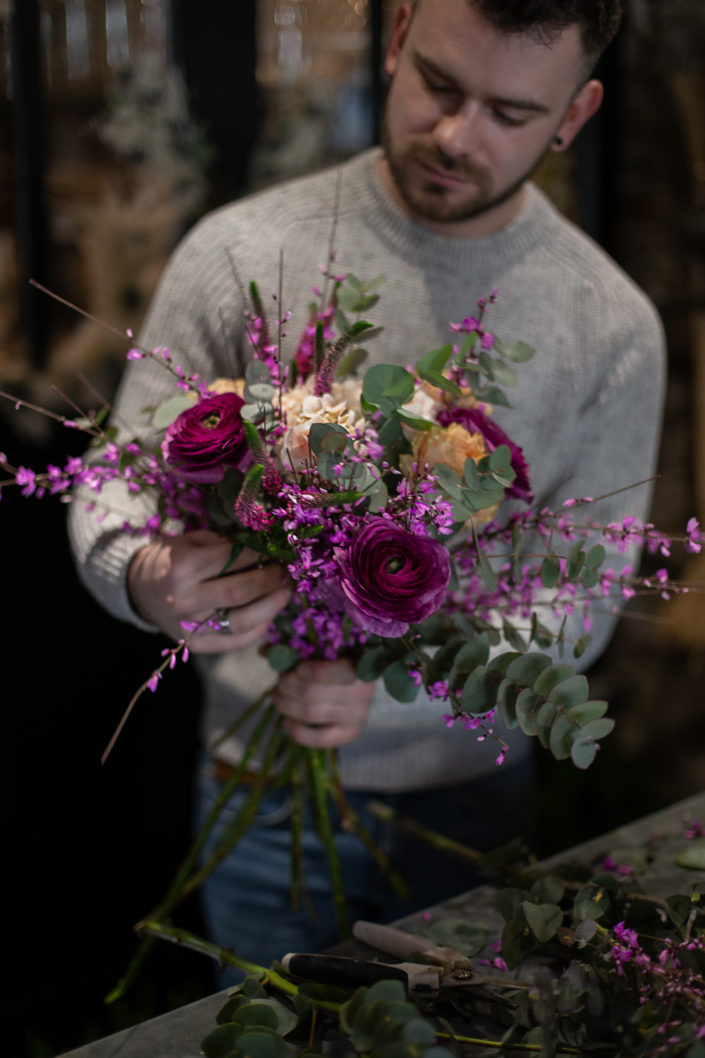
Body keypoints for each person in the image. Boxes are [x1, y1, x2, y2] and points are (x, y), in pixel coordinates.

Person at [69, 0, 666, 973]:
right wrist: (143, 574)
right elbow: (114, 470)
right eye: (437, 82)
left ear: (575, 113)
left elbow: (581, 604)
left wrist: (387, 693)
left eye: (510, 113)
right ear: (394, 42)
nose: (454, 135)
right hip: (256, 796)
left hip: (472, 804)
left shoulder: (612, 326)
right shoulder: (241, 251)